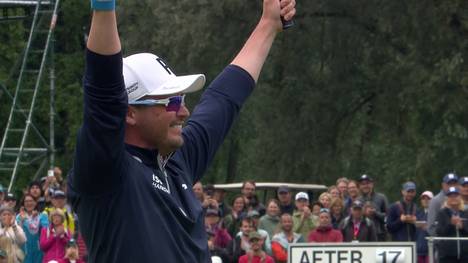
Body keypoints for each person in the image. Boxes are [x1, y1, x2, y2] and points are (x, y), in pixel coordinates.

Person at [67, 0, 296, 261]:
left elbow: (223, 99)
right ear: (129, 112)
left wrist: (267, 25)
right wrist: (104, 7)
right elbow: (103, 88)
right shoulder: (105, 169)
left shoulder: (177, 162)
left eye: (182, 100)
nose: (183, 112)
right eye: (171, 102)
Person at [435, 187, 468, 263]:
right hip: (447, 255)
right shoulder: (442, 213)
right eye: (450, 196)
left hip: (465, 255)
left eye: (456, 195)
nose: (453, 198)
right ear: (447, 199)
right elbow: (439, 232)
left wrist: (462, 226)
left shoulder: (466, 213)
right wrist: (451, 224)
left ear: (460, 197)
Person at [17, 194, 49, 263]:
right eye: (26, 201)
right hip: (24, 250)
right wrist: (22, 220)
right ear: (23, 203)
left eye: (31, 201)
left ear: (35, 202)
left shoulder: (42, 216)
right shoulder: (19, 217)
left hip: (38, 250)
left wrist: (35, 219)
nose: (29, 203)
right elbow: (16, 232)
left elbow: (46, 230)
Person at [357, 174, 388, 241]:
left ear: (372, 184)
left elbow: (387, 217)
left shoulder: (381, 198)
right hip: (363, 234)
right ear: (360, 186)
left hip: (379, 234)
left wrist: (375, 213)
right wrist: (363, 213)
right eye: (363, 184)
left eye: (367, 183)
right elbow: (354, 219)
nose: (365, 186)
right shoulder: (358, 200)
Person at [416, 191, 433, 263]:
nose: (425, 200)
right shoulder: (417, 213)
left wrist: (428, 228)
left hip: (431, 249)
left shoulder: (437, 213)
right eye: (423, 198)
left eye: (428, 198)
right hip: (419, 250)